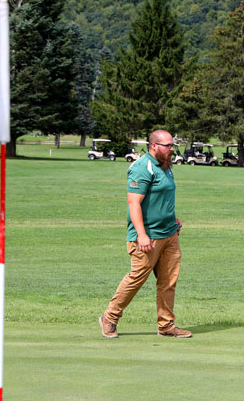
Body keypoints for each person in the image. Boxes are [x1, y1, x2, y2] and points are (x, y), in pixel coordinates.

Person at [99, 129, 192, 339]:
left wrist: (173, 219)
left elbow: (163, 197)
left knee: (168, 281)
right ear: (154, 146)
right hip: (147, 236)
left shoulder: (166, 166)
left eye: (172, 145)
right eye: (167, 146)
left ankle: (166, 325)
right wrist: (141, 235)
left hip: (169, 234)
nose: (171, 149)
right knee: (136, 278)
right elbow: (134, 203)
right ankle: (109, 317)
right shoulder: (142, 168)